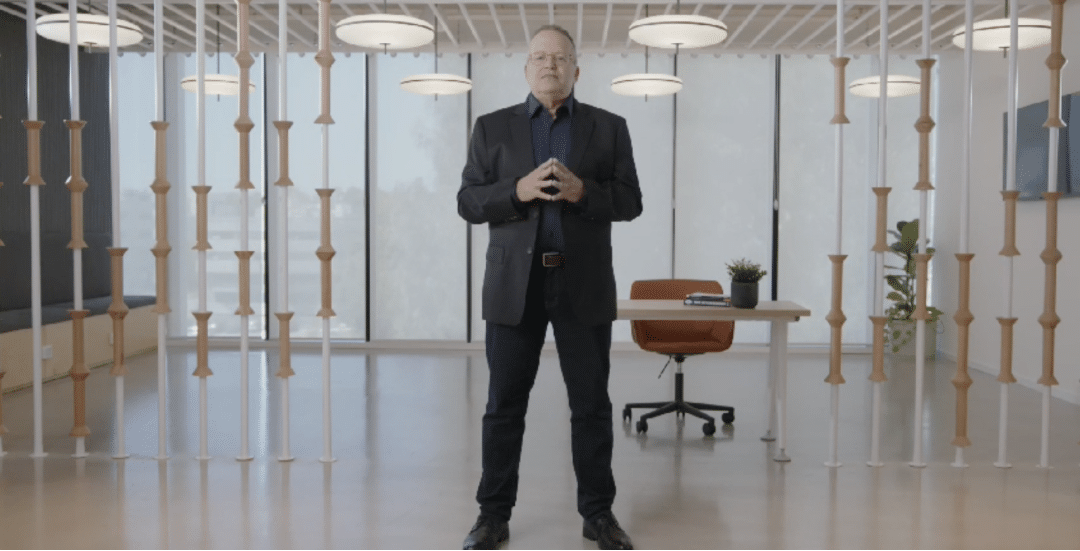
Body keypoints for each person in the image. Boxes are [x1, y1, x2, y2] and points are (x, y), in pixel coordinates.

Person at [457, 24, 643, 551]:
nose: (550, 66)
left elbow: (631, 201)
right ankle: (492, 516)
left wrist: (586, 193)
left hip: (581, 284)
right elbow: (467, 202)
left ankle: (598, 514)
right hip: (515, 285)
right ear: (526, 68)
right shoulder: (491, 128)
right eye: (540, 57)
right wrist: (514, 192)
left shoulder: (609, 128)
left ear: (576, 69)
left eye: (560, 58)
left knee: (591, 404)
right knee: (503, 405)